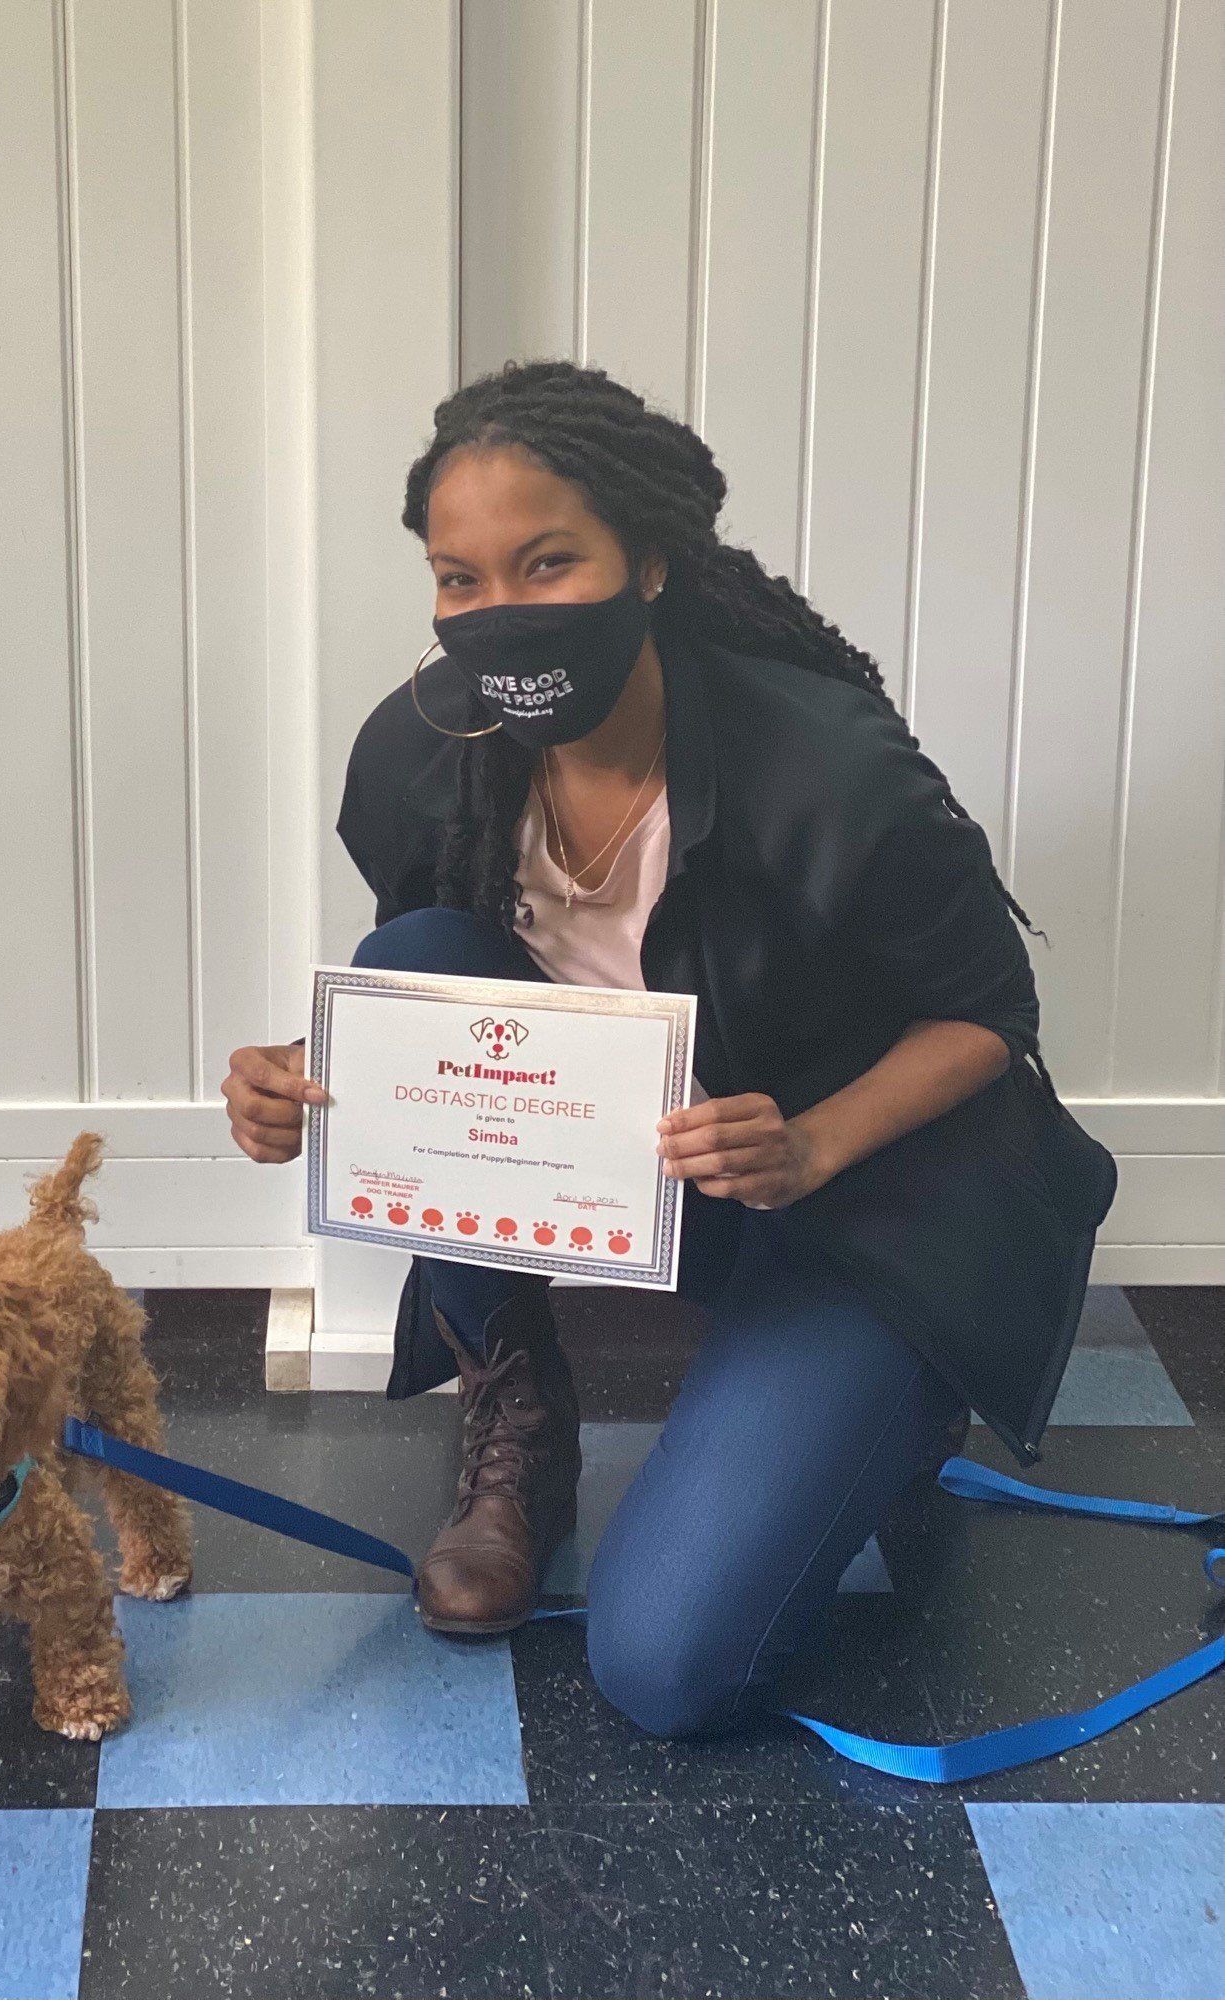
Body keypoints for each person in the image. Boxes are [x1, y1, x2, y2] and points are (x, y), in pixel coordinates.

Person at [221, 359, 1117, 1739]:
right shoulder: (421, 751)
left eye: (545, 561)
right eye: (459, 579)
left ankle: (887, 1398)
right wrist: (306, 1076)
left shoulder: (823, 768)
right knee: (409, 972)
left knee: (666, 1670)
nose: (497, 610)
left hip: (868, 1208)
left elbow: (992, 1019)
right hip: (667, 1172)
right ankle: (517, 1424)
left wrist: (812, 1141)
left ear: (647, 561)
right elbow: (435, 1018)